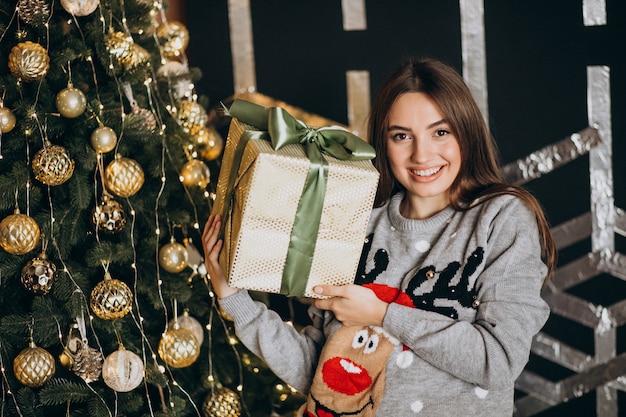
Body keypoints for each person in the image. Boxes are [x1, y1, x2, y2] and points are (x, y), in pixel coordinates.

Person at [202, 57, 557, 416]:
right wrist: (236, 301)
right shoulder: (355, 224)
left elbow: (497, 360)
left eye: (440, 132)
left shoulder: (501, 218)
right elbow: (320, 374)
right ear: (383, 143)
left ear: (466, 131)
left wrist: (384, 315)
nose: (422, 154)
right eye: (402, 136)